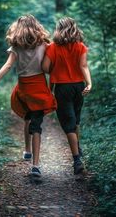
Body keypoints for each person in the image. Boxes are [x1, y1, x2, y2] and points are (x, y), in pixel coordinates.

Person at [0, 15, 57, 178]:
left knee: (27, 117)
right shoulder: (45, 45)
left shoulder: (16, 47)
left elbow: (8, 65)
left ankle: (27, 150)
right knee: (36, 125)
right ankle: (35, 165)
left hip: (24, 88)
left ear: (19, 28)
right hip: (39, 87)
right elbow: (51, 64)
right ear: (37, 27)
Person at [42, 17, 92, 175]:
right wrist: (89, 83)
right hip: (79, 86)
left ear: (59, 29)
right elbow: (83, 66)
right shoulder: (81, 46)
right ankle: (78, 149)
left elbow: (45, 67)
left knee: (69, 124)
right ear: (74, 28)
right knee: (76, 120)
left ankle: (77, 159)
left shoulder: (52, 47)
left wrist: (56, 69)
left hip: (62, 88)